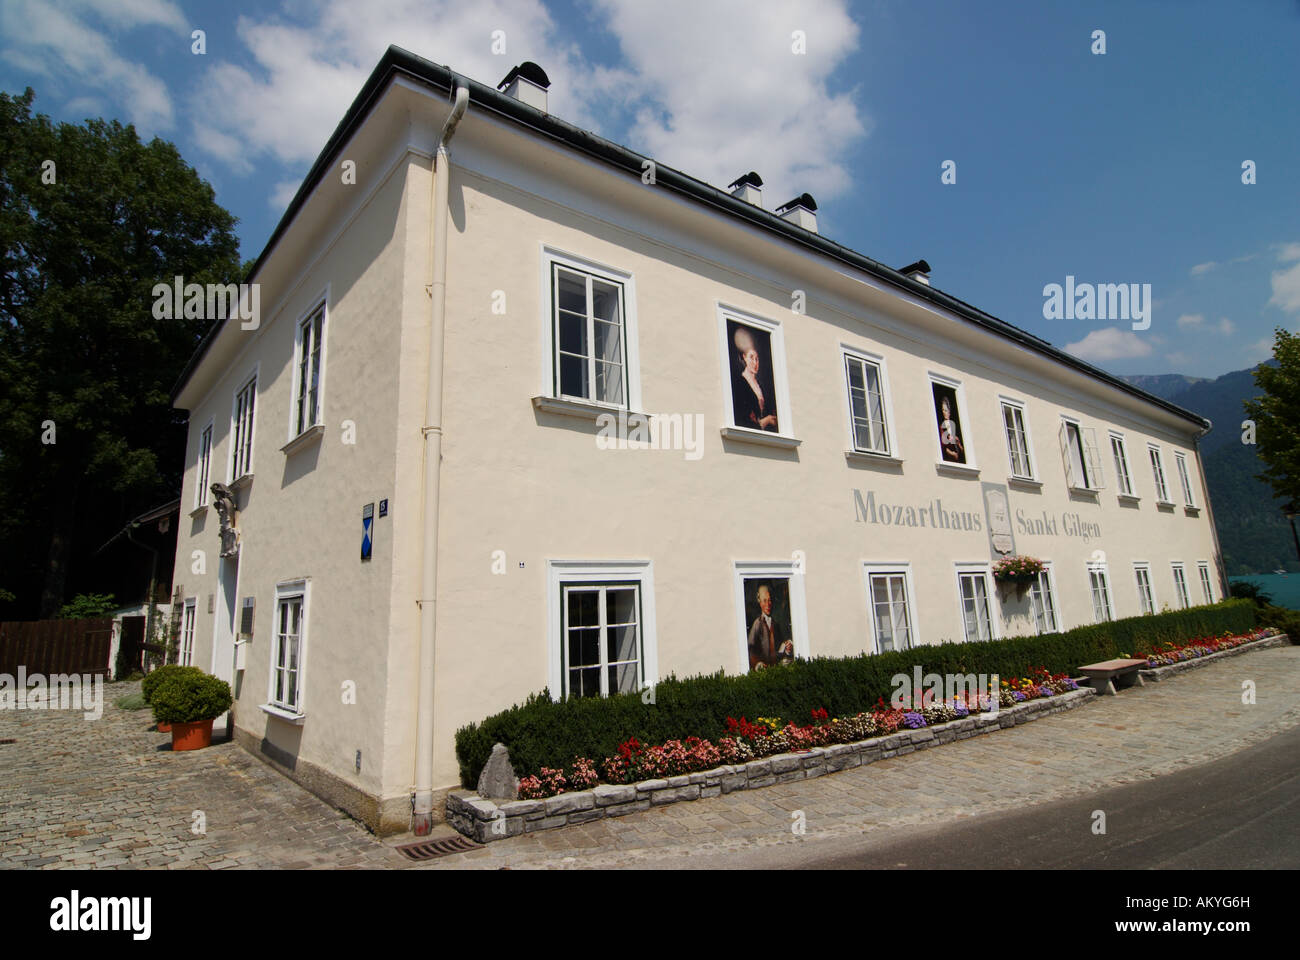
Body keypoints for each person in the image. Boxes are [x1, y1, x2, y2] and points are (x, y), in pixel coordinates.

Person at [731, 326, 778, 432]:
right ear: (744, 357)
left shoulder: (759, 384)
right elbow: (742, 419)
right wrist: (766, 421)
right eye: (751, 357)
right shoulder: (740, 383)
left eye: (757, 359)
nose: (755, 363)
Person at [748, 584, 793, 669]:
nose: (768, 604)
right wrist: (757, 663)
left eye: (769, 600)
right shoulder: (757, 624)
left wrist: (786, 649)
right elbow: (751, 649)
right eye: (764, 601)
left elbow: (779, 650)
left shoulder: (775, 624)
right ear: (759, 601)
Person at [938, 395, 964, 462]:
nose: (944, 412)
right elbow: (943, 447)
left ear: (949, 412)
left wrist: (958, 444)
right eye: (943, 410)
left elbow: (962, 450)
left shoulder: (954, 426)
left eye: (946, 410)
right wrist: (951, 453)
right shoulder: (942, 427)